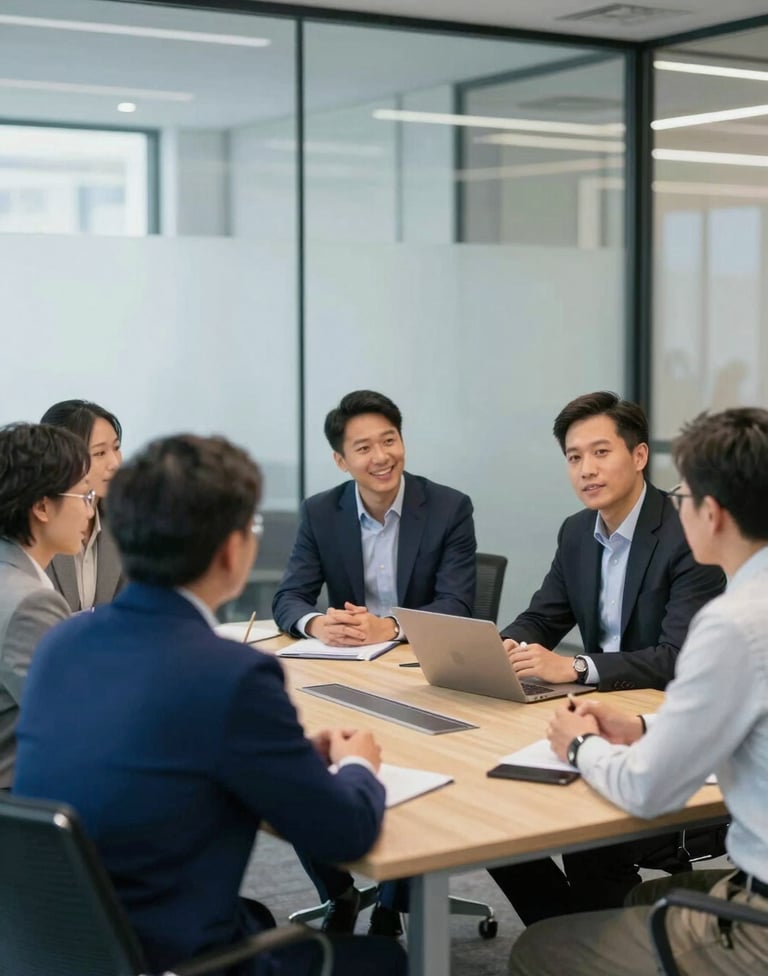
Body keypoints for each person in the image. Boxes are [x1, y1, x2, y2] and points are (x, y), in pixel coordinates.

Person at [13, 434, 406, 976]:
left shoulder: (64, 645)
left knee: (260, 919)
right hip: (165, 956)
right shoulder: (232, 675)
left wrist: (285, 754)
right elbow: (347, 833)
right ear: (231, 550)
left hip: (64, 943)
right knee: (383, 959)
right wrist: (360, 763)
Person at [509, 406, 768, 976]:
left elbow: (648, 790)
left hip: (758, 917)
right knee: (624, 906)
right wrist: (645, 726)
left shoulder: (733, 623)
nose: (676, 505)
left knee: (537, 951)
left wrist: (580, 746)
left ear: (714, 513)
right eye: (575, 457)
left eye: (684, 494)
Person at [489, 392, 725, 923]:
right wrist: (504, 646)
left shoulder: (685, 532)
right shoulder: (577, 532)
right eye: (574, 458)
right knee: (487, 812)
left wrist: (576, 668)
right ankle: (567, 936)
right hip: (595, 712)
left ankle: (591, 942)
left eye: (600, 453)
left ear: (639, 456)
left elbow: (677, 657)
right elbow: (543, 617)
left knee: (588, 842)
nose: (586, 470)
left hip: (661, 726)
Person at [272, 389, 477, 934]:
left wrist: (390, 626)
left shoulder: (449, 507)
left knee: (418, 769)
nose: (382, 456)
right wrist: (317, 623)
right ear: (342, 460)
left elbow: (457, 604)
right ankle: (338, 891)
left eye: (390, 440)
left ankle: (393, 904)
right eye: (364, 447)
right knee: (303, 762)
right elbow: (289, 597)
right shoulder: (322, 511)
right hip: (349, 674)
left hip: (421, 675)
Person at [0, 422, 92, 788]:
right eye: (85, 496)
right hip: (23, 800)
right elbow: (74, 719)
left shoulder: (14, 574)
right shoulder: (29, 602)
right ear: (41, 506)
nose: (91, 511)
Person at [40, 399, 124, 610]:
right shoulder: (36, 524)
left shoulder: (125, 522)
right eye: (100, 453)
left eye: (116, 448)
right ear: (61, 459)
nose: (115, 463)